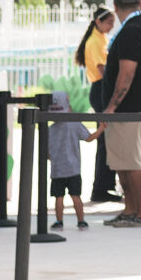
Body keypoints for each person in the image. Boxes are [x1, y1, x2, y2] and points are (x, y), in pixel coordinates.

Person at [100, 0, 141, 227]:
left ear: (115, 7)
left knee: (132, 162)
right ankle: (131, 209)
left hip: (130, 108)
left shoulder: (130, 32)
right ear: (139, 3)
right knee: (126, 161)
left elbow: (126, 74)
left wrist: (111, 107)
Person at [78, 8, 117, 204]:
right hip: (101, 89)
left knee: (107, 140)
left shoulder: (99, 38)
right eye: (109, 22)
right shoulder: (95, 41)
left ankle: (105, 185)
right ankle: (100, 187)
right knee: (104, 139)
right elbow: (102, 69)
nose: (111, 26)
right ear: (98, 22)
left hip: (101, 89)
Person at [49, 88, 90, 229]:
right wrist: (101, 129)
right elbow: (89, 137)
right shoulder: (75, 124)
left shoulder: (50, 129)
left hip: (57, 170)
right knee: (76, 196)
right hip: (73, 169)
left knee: (58, 197)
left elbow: (47, 152)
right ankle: (81, 221)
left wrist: (51, 158)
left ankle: (59, 222)